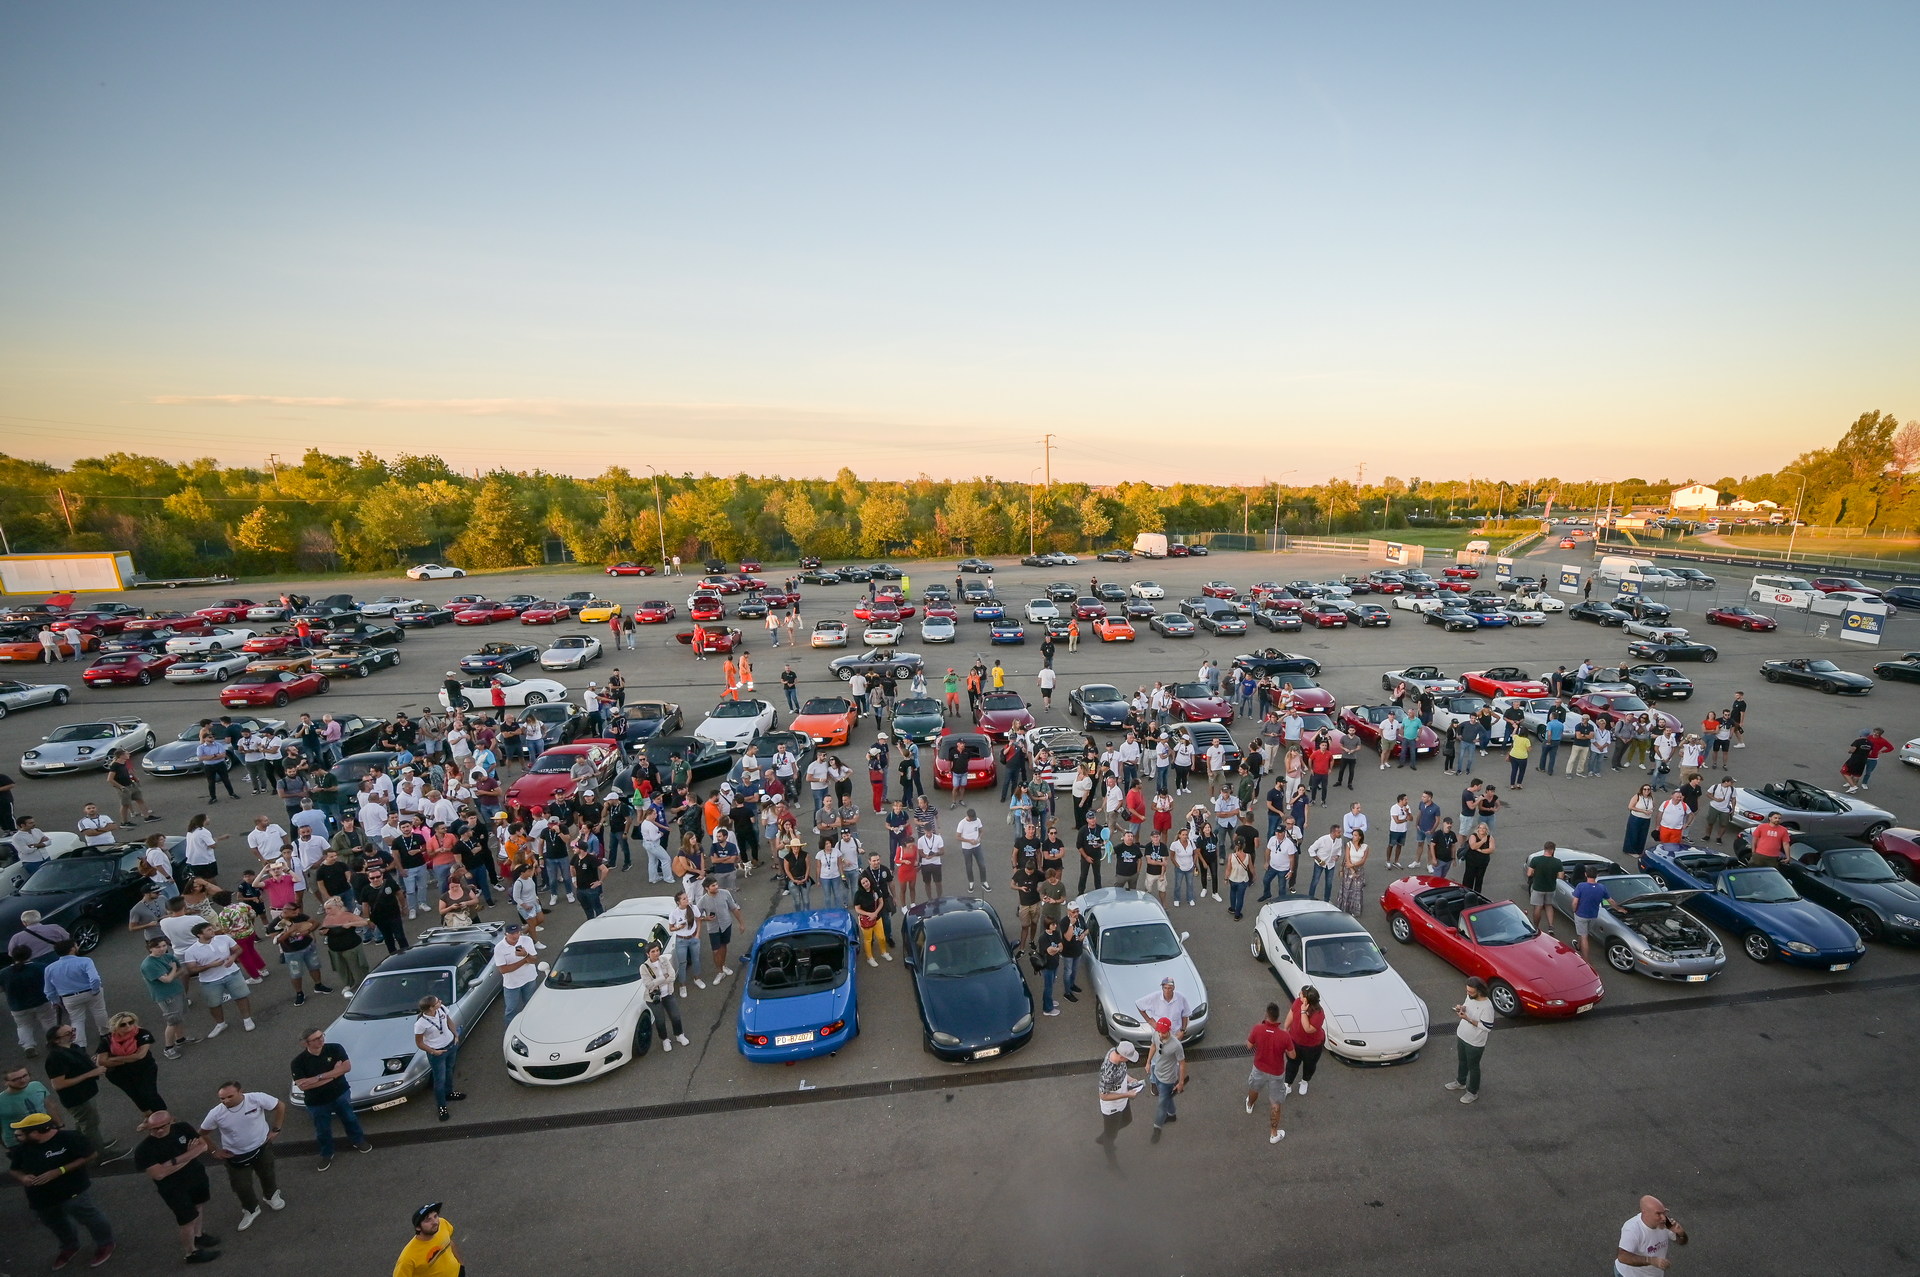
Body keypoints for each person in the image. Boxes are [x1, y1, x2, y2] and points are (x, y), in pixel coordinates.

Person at [7, 1111, 114, 1269]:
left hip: (72, 1190)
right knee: (55, 1222)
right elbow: (13, 1169)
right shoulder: (22, 1148)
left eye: (21, 1133)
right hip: (40, 1197)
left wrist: (60, 1170)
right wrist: (23, 1177)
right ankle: (69, 1246)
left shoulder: (70, 1138)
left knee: (89, 1216)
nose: (17, 1136)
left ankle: (105, 1243)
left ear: (36, 1132)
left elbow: (90, 1155)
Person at [133, 1108, 221, 1264]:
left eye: (163, 1126)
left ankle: (198, 1235)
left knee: (198, 1205)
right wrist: (190, 1155)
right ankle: (191, 1253)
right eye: (154, 1128)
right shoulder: (144, 1150)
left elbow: (203, 1147)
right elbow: (159, 1174)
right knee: (187, 1219)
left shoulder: (183, 1128)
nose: (159, 1131)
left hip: (195, 1176)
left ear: (171, 1122)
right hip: (173, 1188)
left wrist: (173, 1161)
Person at [198, 1082, 286, 1230]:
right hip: (236, 1156)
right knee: (241, 1186)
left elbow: (280, 1106)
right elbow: (202, 1133)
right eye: (222, 1098)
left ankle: (271, 1196)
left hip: (262, 1148)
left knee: (268, 1174)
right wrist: (213, 1151)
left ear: (241, 1092)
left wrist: (276, 1129)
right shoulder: (216, 1113)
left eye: (229, 1096)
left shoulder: (256, 1098)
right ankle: (251, 1209)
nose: (226, 1101)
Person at [290, 1028, 370, 1169]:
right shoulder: (298, 1062)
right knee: (323, 1130)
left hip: (340, 1094)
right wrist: (334, 1074)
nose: (321, 1039)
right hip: (317, 1102)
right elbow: (304, 1086)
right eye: (316, 1039)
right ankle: (327, 1153)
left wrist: (317, 1078)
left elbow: (346, 1067)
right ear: (305, 1043)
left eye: (321, 1036)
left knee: (350, 1119)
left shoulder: (334, 1048)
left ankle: (358, 1140)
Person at [45, 1021, 122, 1160]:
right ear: (56, 1040)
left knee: (84, 1123)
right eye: (68, 1033)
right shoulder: (56, 1058)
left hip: (86, 1093)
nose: (73, 1034)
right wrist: (90, 1074)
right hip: (77, 1098)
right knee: (90, 1125)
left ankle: (86, 1145)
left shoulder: (73, 1047)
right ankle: (99, 1154)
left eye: (73, 1030)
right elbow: (58, 1084)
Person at [181, 922, 256, 1037]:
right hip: (209, 981)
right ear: (199, 935)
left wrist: (233, 958)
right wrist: (210, 965)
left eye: (212, 928)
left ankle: (247, 1019)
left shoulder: (224, 938)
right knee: (214, 1004)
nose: (213, 931)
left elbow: (238, 949)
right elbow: (192, 969)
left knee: (241, 997)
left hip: (233, 973)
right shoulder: (191, 951)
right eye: (208, 930)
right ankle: (220, 1024)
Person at [96, 1011, 167, 1116]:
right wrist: (127, 1059)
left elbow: (140, 1055)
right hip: (118, 1074)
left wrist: (113, 1059)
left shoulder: (142, 1033)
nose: (128, 1026)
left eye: (131, 1022)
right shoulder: (107, 1040)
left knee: (149, 1093)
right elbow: (101, 1061)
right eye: (123, 1024)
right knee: (135, 1095)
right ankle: (148, 1116)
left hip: (144, 1069)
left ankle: (164, 1116)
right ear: (115, 1027)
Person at [1244, 1002, 1296, 1145]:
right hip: (1276, 1073)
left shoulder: (1257, 1029)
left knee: (1254, 1087)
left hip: (1259, 1068)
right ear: (1278, 1017)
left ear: (1266, 1015)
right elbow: (1292, 1056)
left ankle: (1250, 1105)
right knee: (1275, 1102)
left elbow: (1249, 1045)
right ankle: (1273, 1134)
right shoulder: (1284, 1036)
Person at [43, 939, 110, 1045]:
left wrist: (55, 1001)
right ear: (72, 949)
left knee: (77, 1020)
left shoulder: (49, 968)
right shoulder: (85, 961)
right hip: (90, 992)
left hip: (69, 997)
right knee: (99, 1012)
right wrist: (95, 989)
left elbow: (48, 990)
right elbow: (95, 979)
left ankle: (80, 1044)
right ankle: (105, 1034)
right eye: (76, 945)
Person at [413, 994, 464, 1122]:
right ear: (431, 1008)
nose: (440, 1001)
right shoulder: (420, 1024)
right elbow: (419, 1043)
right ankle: (442, 1106)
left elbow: (448, 1021)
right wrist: (433, 1052)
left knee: (450, 1070)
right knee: (439, 1079)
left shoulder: (441, 1009)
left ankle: (449, 1092)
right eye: (437, 1002)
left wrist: (455, 1035)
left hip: (451, 1045)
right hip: (437, 1053)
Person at [1445, 976, 1494, 1104]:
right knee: (1462, 1061)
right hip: (1462, 1035)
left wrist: (1467, 1019)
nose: (1468, 993)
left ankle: (1473, 1092)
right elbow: (1467, 1006)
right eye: (1467, 991)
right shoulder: (1470, 997)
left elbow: (1487, 1027)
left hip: (1475, 1042)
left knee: (1473, 1067)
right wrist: (1461, 1008)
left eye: (1471, 992)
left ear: (1479, 991)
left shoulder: (1487, 1007)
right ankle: (1460, 1082)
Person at [1094, 1040, 1144, 1164]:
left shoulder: (1114, 1051)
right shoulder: (1108, 1073)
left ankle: (1105, 1135)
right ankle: (1112, 1163)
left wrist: (1130, 1079)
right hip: (1112, 1108)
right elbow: (1103, 1096)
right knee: (1110, 1137)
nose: (1128, 1061)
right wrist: (1127, 1094)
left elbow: (1122, 1072)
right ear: (1122, 1056)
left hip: (1123, 1100)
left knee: (1127, 1120)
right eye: (1128, 1058)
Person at [640, 940, 691, 1052]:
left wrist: (658, 981)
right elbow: (649, 985)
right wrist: (664, 977)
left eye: (657, 950)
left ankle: (679, 1034)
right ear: (648, 954)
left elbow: (672, 976)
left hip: (668, 993)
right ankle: (665, 1039)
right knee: (660, 1020)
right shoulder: (644, 967)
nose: (656, 953)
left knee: (675, 1016)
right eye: (653, 951)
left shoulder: (664, 960)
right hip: (654, 998)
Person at [1616, 1195, 1689, 1273]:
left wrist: (1681, 1233)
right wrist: (1651, 1261)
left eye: (1664, 1212)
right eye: (1658, 1214)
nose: (1663, 1218)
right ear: (1645, 1213)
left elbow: (1682, 1242)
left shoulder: (1665, 1223)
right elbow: (1622, 1256)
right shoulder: (1632, 1229)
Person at [1145, 1017, 1186, 1142]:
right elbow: (1153, 1046)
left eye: (1163, 1032)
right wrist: (1148, 1062)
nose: (1160, 1035)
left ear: (1169, 1030)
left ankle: (1157, 1128)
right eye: (1159, 1031)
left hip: (1167, 1080)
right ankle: (1172, 1115)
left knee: (1162, 1105)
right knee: (1167, 1097)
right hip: (1156, 1073)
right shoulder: (1156, 1034)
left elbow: (1182, 1064)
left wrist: (1181, 1082)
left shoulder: (1176, 1045)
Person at [395, 1202, 463, 1277]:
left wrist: (461, 1265)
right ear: (418, 1227)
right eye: (428, 1220)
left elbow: (450, 1243)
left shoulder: (442, 1223)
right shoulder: (407, 1258)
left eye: (435, 1216)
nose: (435, 1222)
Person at [494, 921, 541, 1023]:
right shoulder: (499, 948)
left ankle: (531, 1023)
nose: (515, 936)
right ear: (506, 934)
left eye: (517, 932)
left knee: (530, 1004)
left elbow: (534, 960)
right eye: (512, 933)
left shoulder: (527, 940)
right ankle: (509, 1029)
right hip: (512, 984)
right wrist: (525, 960)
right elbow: (503, 970)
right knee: (511, 1010)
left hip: (529, 979)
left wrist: (526, 955)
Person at [1283, 986, 1326, 1096]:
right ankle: (1287, 1084)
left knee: (1309, 1065)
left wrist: (1303, 1011)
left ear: (1306, 999)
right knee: (1292, 1063)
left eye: (1301, 994)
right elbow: (1291, 1013)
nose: (1299, 995)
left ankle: (1304, 1081)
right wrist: (1286, 1028)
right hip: (1294, 1041)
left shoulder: (1318, 1013)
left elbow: (1308, 1029)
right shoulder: (1298, 1001)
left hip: (1312, 1046)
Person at [1571, 866, 1610, 960]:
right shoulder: (1602, 888)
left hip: (1581, 915)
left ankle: (1586, 960)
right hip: (1593, 916)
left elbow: (1575, 902)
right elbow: (1610, 900)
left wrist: (1574, 910)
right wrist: (1619, 908)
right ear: (1597, 875)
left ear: (1585, 874)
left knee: (1584, 937)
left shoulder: (1581, 886)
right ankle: (1578, 945)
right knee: (1584, 932)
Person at [1525, 841, 1564, 933]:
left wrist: (1536, 873)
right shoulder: (1557, 862)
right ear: (1553, 850)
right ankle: (1551, 926)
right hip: (1550, 888)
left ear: (1544, 849)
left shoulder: (1536, 860)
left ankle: (1536, 927)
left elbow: (1529, 873)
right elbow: (1561, 876)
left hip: (1538, 888)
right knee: (1549, 906)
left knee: (1538, 907)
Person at [1460, 822, 1495, 893]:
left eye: (1484, 828)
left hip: (1483, 863)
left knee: (1479, 879)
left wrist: (1481, 850)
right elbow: (1473, 846)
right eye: (1480, 828)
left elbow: (1491, 849)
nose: (1482, 829)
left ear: (1486, 830)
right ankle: (1466, 893)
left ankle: (1477, 894)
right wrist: (1482, 841)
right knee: (1469, 878)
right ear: (1478, 829)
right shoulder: (1473, 836)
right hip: (1471, 861)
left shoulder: (1490, 837)